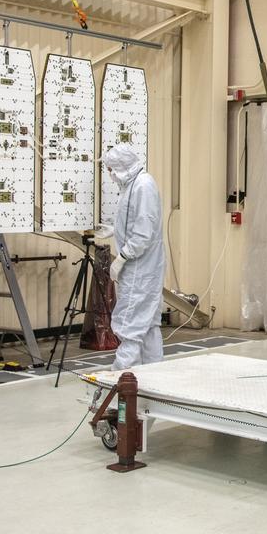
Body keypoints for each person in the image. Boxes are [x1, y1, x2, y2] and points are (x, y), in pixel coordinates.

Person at [103, 143, 165, 370]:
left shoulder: (143, 186)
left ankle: (122, 376)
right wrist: (114, 230)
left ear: (121, 166)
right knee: (147, 324)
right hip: (143, 266)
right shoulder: (133, 185)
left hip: (140, 267)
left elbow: (143, 232)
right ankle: (154, 374)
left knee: (130, 322)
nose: (110, 173)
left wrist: (122, 257)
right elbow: (135, 221)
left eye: (111, 169)